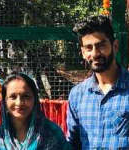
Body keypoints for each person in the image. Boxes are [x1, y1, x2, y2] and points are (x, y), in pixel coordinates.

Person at [67, 15, 129, 149]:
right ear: (83, 52)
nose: (95, 54)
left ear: (115, 46)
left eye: (101, 45)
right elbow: (72, 143)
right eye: (89, 48)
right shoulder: (77, 95)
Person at [0, 73, 70, 150]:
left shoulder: (52, 133)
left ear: (35, 99)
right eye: (13, 97)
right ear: (4, 101)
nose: (19, 103)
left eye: (26, 96)